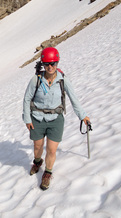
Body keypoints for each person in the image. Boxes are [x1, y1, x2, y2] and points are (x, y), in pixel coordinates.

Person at [23, 47, 90, 190]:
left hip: (56, 119)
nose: (50, 66)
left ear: (57, 63)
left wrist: (82, 116)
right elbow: (27, 99)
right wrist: (27, 119)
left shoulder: (63, 80)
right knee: (37, 147)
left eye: (53, 63)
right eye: (47, 63)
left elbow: (73, 98)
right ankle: (37, 161)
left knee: (52, 150)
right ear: (43, 63)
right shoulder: (36, 79)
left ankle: (47, 172)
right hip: (37, 118)